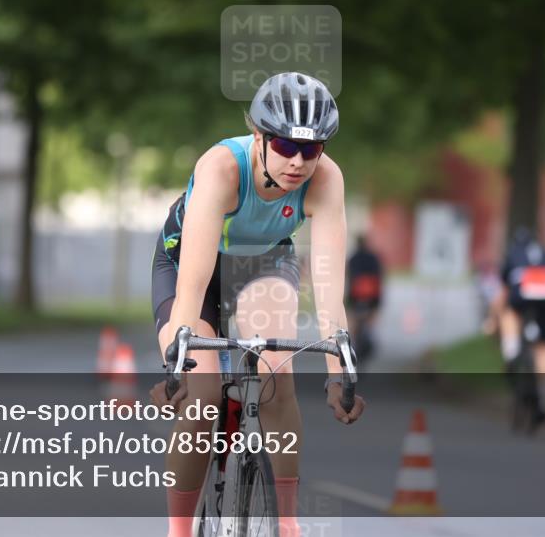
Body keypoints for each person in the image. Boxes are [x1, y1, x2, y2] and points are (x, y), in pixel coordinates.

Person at [148, 72, 365, 537]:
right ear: (259, 136)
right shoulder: (222, 168)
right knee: (202, 398)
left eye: (311, 149)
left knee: (276, 374)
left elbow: (329, 287)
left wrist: (337, 373)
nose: (298, 162)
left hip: (264, 263)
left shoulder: (326, 179)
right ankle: (178, 531)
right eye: (285, 146)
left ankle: (285, 521)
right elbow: (194, 282)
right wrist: (176, 365)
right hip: (193, 265)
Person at [498, 226, 545, 427]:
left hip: (522, 291)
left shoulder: (512, 255)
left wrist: (493, 319)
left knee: (510, 314)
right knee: (544, 346)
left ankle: (511, 351)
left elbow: (503, 290)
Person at [345, 234, 383, 365]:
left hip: (355, 295)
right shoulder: (374, 258)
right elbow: (379, 278)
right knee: (371, 318)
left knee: (354, 319)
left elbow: (349, 278)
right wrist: (378, 299)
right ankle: (369, 334)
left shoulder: (353, 258)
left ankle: (354, 343)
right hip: (372, 295)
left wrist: (347, 299)